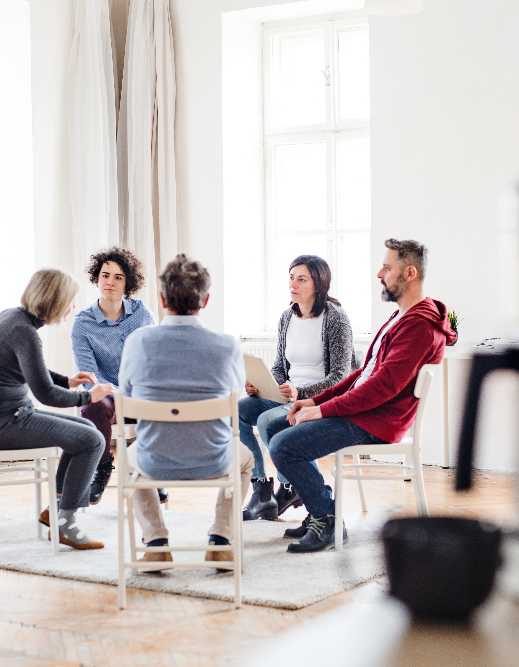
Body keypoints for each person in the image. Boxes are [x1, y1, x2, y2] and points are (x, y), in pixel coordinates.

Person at [268, 239, 456, 553]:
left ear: (409, 273)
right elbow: (364, 373)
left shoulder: (419, 327)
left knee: (283, 446)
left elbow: (382, 387)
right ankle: (320, 505)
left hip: (376, 422)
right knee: (277, 427)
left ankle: (327, 520)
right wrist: (316, 400)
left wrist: (324, 410)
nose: (379, 274)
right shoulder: (402, 317)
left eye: (387, 267)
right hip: (364, 412)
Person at [118, 254, 253, 569]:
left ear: (162, 298)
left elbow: (126, 396)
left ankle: (155, 541)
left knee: (125, 459)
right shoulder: (227, 345)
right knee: (247, 461)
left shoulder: (137, 342)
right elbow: (234, 399)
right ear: (205, 301)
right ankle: (221, 539)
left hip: (155, 460)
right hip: (214, 459)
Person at [0, 268, 115, 550]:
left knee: (87, 430)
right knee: (93, 439)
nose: (72, 308)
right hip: (1, 426)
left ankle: (58, 509)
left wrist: (69, 381)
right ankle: (66, 524)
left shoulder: (12, 318)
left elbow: (31, 371)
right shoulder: (24, 332)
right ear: (55, 301)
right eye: (69, 301)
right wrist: (89, 398)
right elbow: (45, 393)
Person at [239, 255, 354, 522]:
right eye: (291, 278)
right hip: (287, 395)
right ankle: (262, 489)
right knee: (237, 411)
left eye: (301, 279)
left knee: (268, 421)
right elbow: (280, 366)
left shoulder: (336, 318)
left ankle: (291, 486)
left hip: (315, 399)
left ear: (318, 283)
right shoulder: (286, 317)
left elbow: (341, 376)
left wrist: (301, 393)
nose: (293, 284)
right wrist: (263, 384)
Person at [66, 247, 157, 505]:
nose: (110, 282)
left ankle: (148, 471)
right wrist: (113, 390)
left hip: (138, 393)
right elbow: (88, 375)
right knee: (93, 401)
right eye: (105, 275)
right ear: (97, 278)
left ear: (128, 282)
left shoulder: (142, 314)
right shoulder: (82, 323)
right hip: (105, 395)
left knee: (158, 400)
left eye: (118, 277)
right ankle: (103, 466)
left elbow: (151, 362)